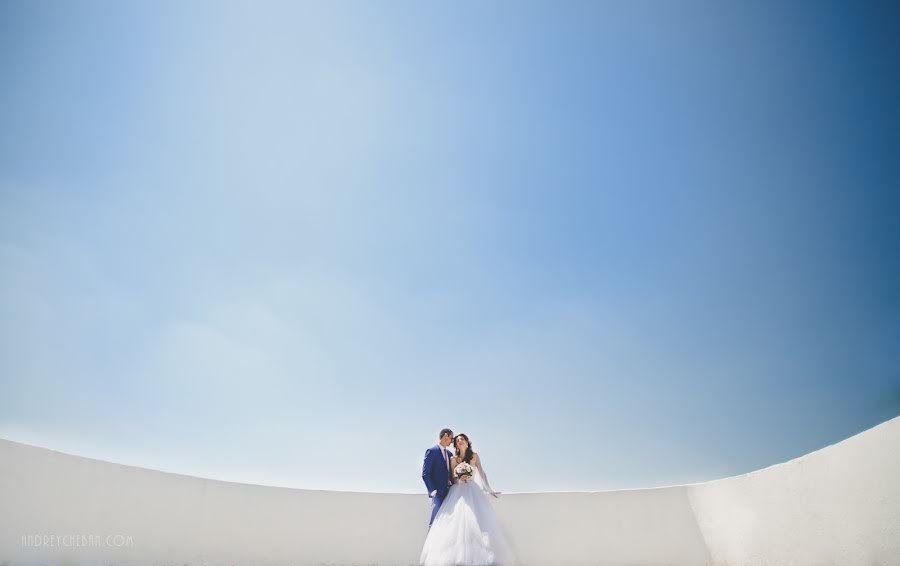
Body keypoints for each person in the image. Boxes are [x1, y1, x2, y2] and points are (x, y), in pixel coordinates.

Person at [419, 433, 518, 566]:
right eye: (458, 440)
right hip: (458, 490)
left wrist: (489, 489)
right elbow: (452, 478)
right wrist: (460, 478)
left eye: (462, 439)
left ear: (467, 442)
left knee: (478, 523)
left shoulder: (474, 456)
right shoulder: (453, 459)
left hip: (473, 490)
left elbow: (482, 472)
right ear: (456, 445)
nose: (460, 441)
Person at [422, 428, 454, 527]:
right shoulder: (431, 451)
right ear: (445, 436)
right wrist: (433, 491)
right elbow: (425, 473)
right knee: (434, 522)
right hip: (438, 494)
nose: (452, 442)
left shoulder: (450, 454)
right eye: (451, 438)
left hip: (451, 493)